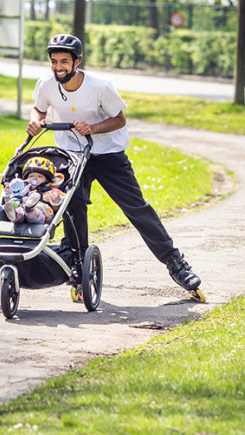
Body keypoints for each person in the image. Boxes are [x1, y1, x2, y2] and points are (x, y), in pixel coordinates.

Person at [25, 33, 201, 293]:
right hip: (72, 155)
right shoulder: (46, 85)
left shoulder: (99, 87)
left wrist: (93, 128)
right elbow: (39, 108)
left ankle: (176, 264)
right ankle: (77, 263)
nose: (58, 67)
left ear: (77, 62)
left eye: (64, 61)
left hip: (108, 155)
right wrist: (35, 119)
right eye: (54, 62)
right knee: (73, 209)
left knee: (137, 208)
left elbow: (120, 119)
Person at [1, 156, 66, 224]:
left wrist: (55, 200)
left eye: (39, 176)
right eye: (31, 176)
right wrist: (8, 194)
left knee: (35, 211)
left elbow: (60, 205)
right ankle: (15, 215)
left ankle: (30, 209)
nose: (35, 178)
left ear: (47, 179)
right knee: (19, 209)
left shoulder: (51, 191)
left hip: (42, 215)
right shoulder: (22, 190)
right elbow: (13, 200)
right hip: (23, 212)